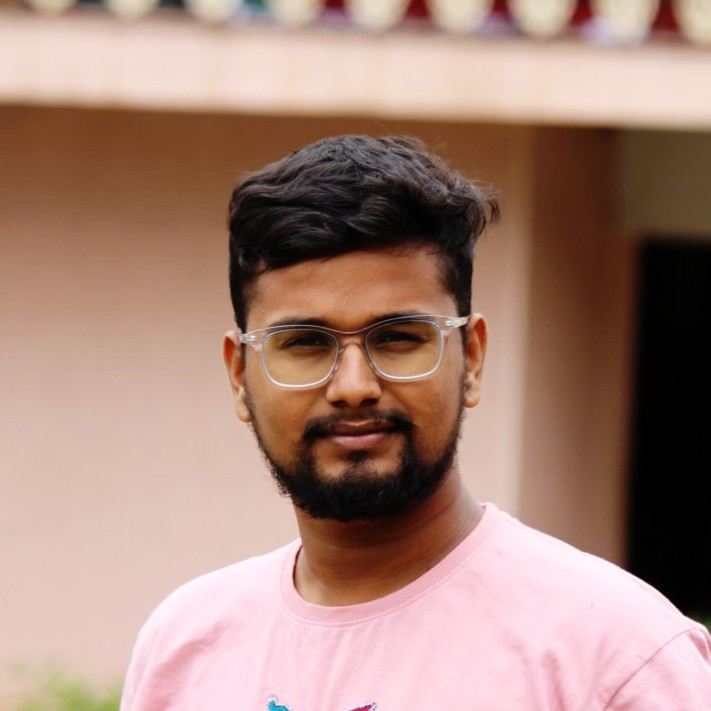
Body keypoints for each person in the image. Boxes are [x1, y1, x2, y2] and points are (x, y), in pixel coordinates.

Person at [120, 135, 711, 711]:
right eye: (303, 342)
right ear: (239, 374)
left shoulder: (615, 655)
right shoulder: (186, 648)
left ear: (471, 358)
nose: (353, 387)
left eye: (399, 337)